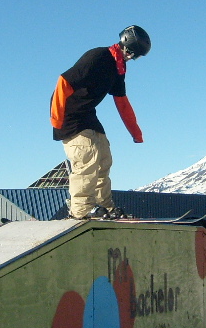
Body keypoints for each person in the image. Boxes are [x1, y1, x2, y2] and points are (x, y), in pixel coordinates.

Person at [50, 25, 150, 219]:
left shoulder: (119, 68)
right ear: (123, 44)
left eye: (135, 56)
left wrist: (135, 133)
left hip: (88, 115)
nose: (130, 57)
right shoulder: (97, 57)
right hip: (69, 115)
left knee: (104, 158)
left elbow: (122, 102)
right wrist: (56, 119)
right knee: (87, 157)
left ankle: (104, 206)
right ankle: (81, 209)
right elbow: (63, 82)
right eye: (130, 52)